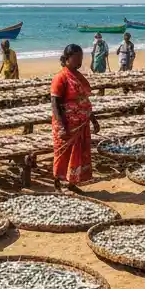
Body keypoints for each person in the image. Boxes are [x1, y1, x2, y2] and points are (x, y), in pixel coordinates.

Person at [51, 43, 98, 191]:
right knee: (63, 153)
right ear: (67, 58)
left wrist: (93, 120)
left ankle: (72, 183)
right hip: (66, 124)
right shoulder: (60, 77)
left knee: (78, 154)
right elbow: (55, 104)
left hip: (81, 123)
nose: (79, 61)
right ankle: (57, 183)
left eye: (81, 58)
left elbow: (85, 101)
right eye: (77, 58)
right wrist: (63, 126)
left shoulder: (79, 77)